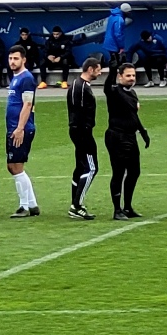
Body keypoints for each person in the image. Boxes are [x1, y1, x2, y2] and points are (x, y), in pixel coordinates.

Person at [104, 60, 150, 219]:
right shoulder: (115, 91)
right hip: (117, 136)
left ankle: (128, 207)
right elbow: (107, 88)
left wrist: (142, 131)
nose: (131, 78)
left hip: (130, 136)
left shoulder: (132, 93)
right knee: (118, 172)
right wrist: (111, 71)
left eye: (133, 75)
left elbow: (133, 116)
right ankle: (117, 210)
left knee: (134, 171)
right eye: (128, 75)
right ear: (120, 76)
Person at [5, 46, 41, 218]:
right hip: (14, 128)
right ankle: (32, 205)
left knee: (16, 166)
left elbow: (28, 104)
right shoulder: (16, 78)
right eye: (10, 58)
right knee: (12, 166)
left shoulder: (26, 78)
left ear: (23, 60)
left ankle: (24, 206)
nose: (12, 61)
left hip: (21, 129)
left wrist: (20, 128)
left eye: (16, 58)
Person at [66, 55, 104, 220]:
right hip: (82, 132)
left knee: (80, 167)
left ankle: (74, 203)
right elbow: (79, 111)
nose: (100, 73)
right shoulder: (81, 87)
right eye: (98, 69)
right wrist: (85, 129)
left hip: (78, 130)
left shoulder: (78, 85)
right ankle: (77, 205)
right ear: (91, 69)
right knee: (91, 168)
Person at [100, 2, 131, 71]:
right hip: (114, 44)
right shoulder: (120, 19)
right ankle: (111, 81)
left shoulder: (112, 16)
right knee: (115, 64)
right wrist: (121, 47)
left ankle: (111, 80)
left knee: (113, 62)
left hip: (109, 42)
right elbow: (118, 34)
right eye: (129, 12)